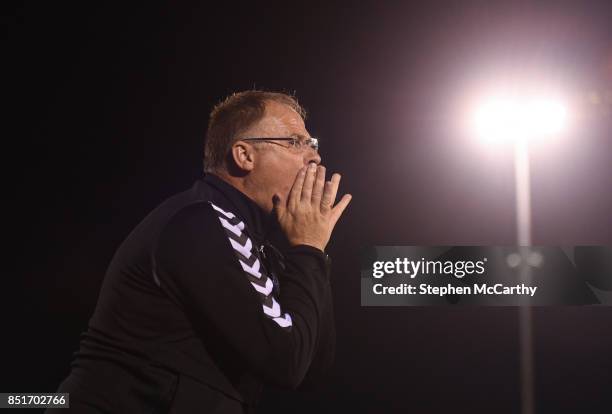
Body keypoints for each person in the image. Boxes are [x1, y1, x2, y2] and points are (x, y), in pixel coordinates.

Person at [48, 90, 352, 413]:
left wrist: (314, 252)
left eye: (311, 143)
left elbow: (312, 366)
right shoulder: (200, 223)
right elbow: (286, 361)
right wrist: (307, 249)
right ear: (244, 155)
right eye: (295, 142)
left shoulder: (259, 246)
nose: (314, 157)